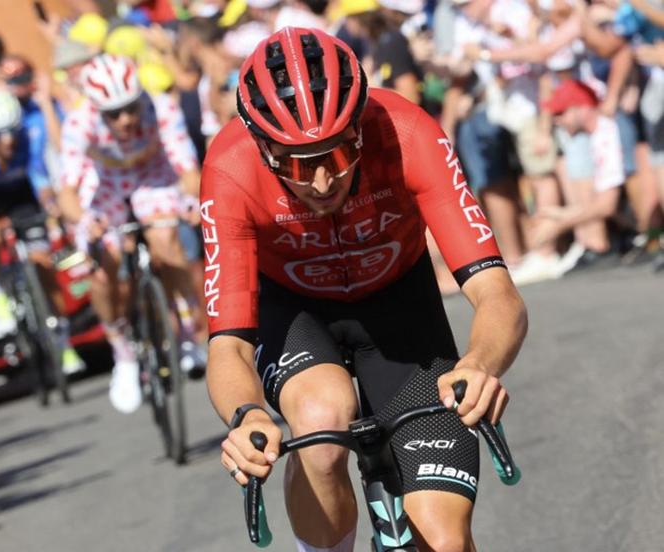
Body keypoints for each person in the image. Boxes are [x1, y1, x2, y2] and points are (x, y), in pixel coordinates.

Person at [203, 27, 527, 552]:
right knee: (320, 422)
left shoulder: (407, 131)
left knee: (443, 541)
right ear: (263, 149)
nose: (322, 183)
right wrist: (249, 415)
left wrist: (480, 363)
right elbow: (228, 345)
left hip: (399, 304)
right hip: (295, 310)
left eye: (335, 156)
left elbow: (498, 294)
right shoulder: (230, 166)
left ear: (359, 130)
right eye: (296, 163)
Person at [58, 54, 205, 413]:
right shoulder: (79, 124)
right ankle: (121, 349)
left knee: (165, 239)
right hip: (104, 186)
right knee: (103, 264)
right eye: (113, 113)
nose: (125, 119)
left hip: (153, 176)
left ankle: (186, 328)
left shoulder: (161, 108)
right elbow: (68, 194)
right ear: (96, 109)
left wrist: (190, 200)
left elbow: (187, 168)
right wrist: (85, 220)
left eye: (129, 108)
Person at [0, 91, 83, 374]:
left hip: (23, 196)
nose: (9, 141)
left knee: (43, 262)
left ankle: (63, 342)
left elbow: (41, 182)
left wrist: (51, 208)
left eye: (12, 133)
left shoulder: (31, 136)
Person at [533, 79, 626, 269]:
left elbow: (607, 206)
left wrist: (560, 225)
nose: (556, 120)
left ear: (582, 109)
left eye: (561, 112)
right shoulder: (597, 134)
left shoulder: (606, 132)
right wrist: (562, 214)